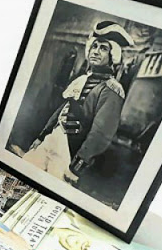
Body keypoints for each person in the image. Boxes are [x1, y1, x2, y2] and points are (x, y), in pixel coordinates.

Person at [21, 21, 134, 184]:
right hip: (52, 140)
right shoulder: (82, 79)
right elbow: (63, 109)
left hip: (70, 151)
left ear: (112, 56)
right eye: (94, 46)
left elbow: (101, 134)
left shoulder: (112, 90)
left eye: (103, 48)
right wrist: (42, 136)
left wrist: (77, 165)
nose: (96, 51)